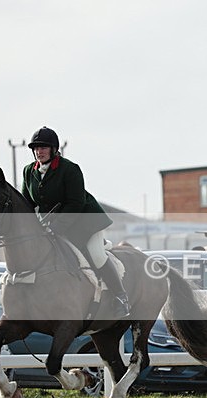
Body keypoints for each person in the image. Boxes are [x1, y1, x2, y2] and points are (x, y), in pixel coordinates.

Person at [21, 126, 130, 318]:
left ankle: (121, 297)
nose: (39, 151)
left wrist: (56, 227)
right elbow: (27, 204)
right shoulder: (29, 171)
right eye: (36, 148)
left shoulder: (70, 169)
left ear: (54, 149)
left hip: (84, 222)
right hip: (51, 227)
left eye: (44, 147)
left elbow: (76, 203)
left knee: (96, 255)